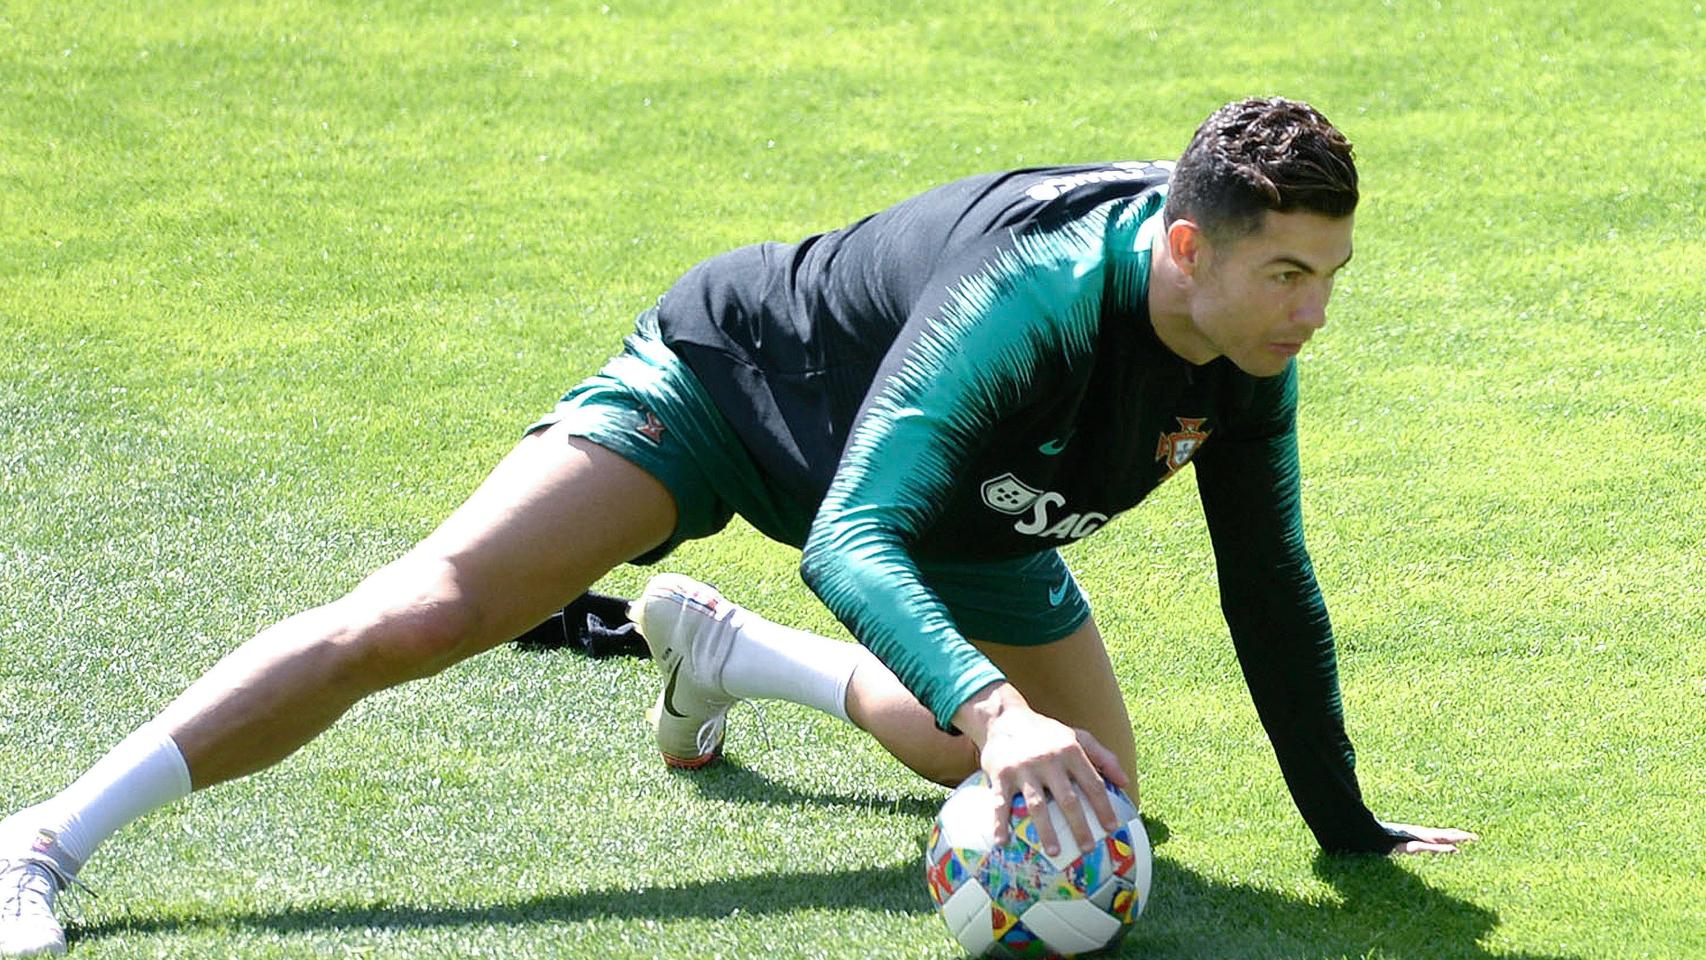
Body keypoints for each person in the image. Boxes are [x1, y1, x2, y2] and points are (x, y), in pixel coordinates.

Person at [0, 96, 1474, 957]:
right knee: (434, 609)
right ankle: (46, 840)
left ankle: (732, 659)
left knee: (1080, 796)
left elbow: (1264, 576)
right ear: (1185, 246)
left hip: (950, 487)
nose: (1313, 308)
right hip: (741, 386)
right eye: (1286, 271)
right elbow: (848, 538)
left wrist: (1347, 829)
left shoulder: (1245, 350)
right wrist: (989, 697)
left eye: (1329, 272)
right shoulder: (1030, 300)